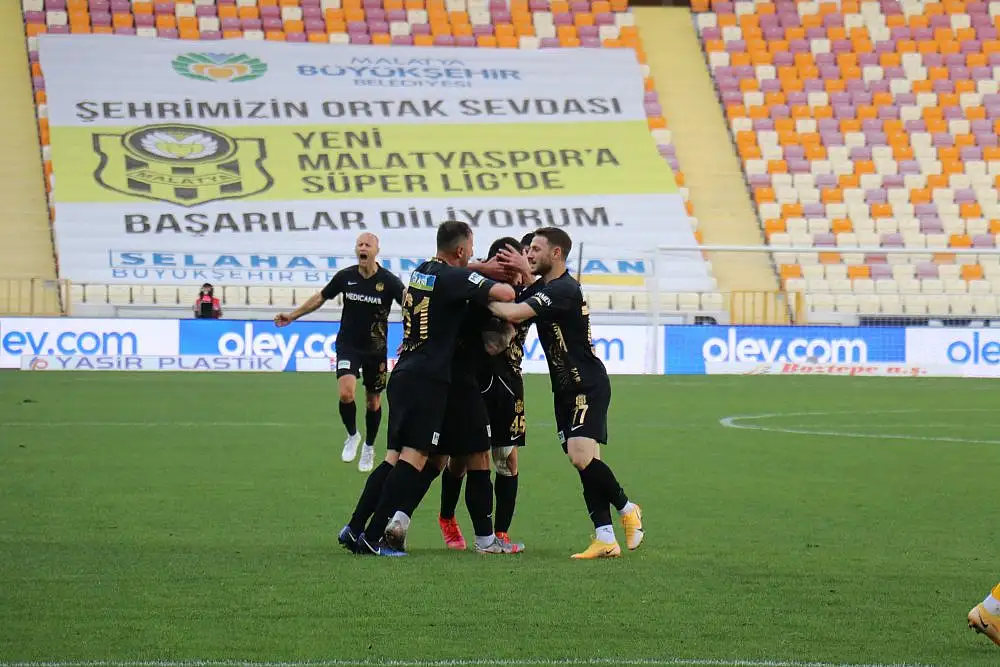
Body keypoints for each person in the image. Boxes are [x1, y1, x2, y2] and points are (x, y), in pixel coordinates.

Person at [338, 220, 515, 557]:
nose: (473, 253)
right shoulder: (454, 278)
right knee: (415, 458)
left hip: (405, 371)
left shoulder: (423, 271)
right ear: (460, 249)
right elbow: (505, 295)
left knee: (393, 458)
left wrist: (477, 269)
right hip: (428, 378)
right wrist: (489, 276)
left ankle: (355, 527)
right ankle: (373, 537)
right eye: (471, 248)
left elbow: (453, 276)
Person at [488, 227, 644, 559]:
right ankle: (605, 538)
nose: (529, 254)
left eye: (535, 249)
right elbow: (525, 294)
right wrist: (522, 271)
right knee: (587, 465)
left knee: (580, 456)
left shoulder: (563, 289)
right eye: (528, 250)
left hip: (586, 384)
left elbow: (514, 312)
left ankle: (628, 508)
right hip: (564, 390)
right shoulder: (546, 287)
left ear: (556, 253)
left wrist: (477, 293)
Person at [274, 233, 404, 472]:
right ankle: (352, 435)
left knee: (373, 402)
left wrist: (411, 336)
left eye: (367, 245)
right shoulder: (346, 277)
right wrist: (292, 316)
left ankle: (369, 446)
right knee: (346, 394)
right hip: (348, 346)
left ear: (377, 250)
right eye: (359, 244)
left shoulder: (389, 282)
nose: (363, 248)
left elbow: (409, 306)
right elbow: (320, 297)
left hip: (375, 350)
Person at [439, 237, 530, 551]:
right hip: (472, 381)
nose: (512, 275)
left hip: (509, 383)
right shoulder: (477, 292)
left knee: (507, 459)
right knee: (461, 459)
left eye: (515, 268)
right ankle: (447, 518)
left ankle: (500, 533)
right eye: (505, 268)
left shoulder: (529, 293)